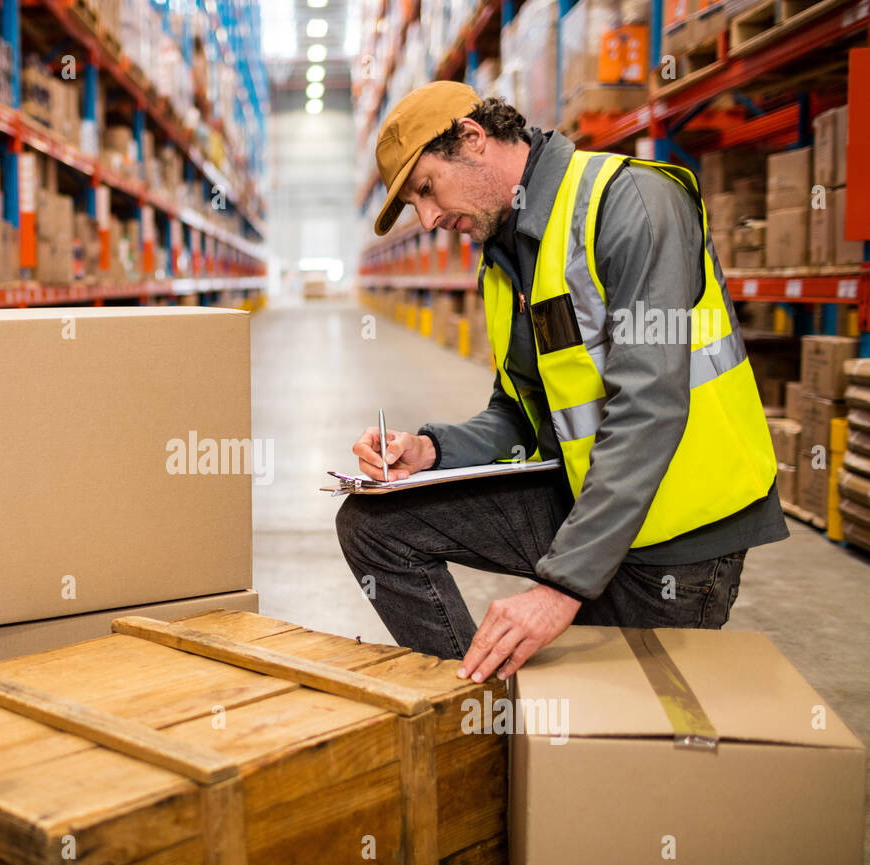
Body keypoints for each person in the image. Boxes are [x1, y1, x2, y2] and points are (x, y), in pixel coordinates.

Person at [336, 81, 786, 685]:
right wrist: (431, 450)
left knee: (601, 750)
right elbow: (520, 415)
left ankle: (514, 730)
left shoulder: (631, 204)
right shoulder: (504, 256)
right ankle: (473, 710)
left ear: (472, 140)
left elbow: (650, 409)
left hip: (678, 542)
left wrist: (561, 586)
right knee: (374, 525)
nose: (430, 218)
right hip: (585, 503)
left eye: (426, 189)